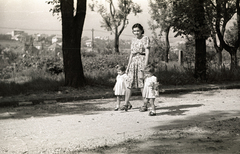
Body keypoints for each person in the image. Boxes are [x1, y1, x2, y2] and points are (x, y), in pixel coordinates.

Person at [120, 23, 150, 111]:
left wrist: (145, 65)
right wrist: (128, 66)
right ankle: (126, 104)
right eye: (134, 31)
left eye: (138, 30)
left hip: (142, 60)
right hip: (133, 62)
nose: (136, 32)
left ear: (141, 30)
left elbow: (147, 52)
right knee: (129, 83)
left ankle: (145, 104)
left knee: (142, 83)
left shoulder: (145, 38)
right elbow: (131, 54)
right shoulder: (133, 40)